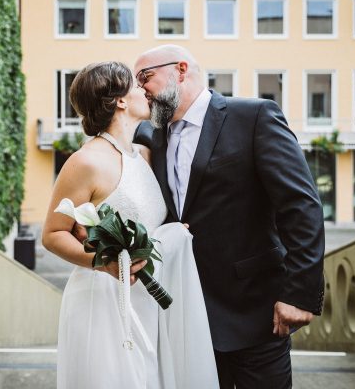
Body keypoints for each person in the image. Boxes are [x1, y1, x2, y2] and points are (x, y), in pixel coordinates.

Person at [133, 45, 325, 389]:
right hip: (186, 315)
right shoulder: (151, 137)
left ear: (180, 69)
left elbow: (301, 205)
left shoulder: (254, 117)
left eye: (145, 77)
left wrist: (301, 294)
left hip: (254, 313)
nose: (140, 88)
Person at [42, 61, 219, 389]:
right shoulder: (86, 161)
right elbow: (52, 234)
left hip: (146, 299)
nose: (145, 92)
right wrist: (104, 262)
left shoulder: (143, 153)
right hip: (104, 297)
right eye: (137, 87)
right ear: (121, 101)